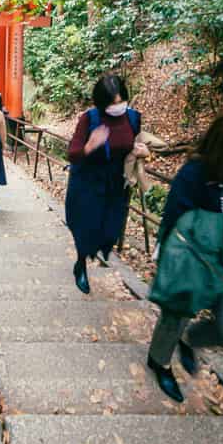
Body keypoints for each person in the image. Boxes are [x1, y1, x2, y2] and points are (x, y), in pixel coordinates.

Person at [146, 106, 223, 404]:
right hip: (190, 259)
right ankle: (159, 362)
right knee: (174, 317)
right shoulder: (195, 174)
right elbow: (179, 221)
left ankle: (190, 339)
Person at [66, 74, 147, 294]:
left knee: (111, 228)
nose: (118, 106)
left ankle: (97, 249)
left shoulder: (133, 118)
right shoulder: (89, 119)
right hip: (87, 180)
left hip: (114, 181)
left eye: (121, 101)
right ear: (101, 103)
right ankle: (80, 263)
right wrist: (89, 146)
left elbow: (136, 142)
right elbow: (72, 153)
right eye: (113, 103)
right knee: (85, 227)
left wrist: (141, 152)